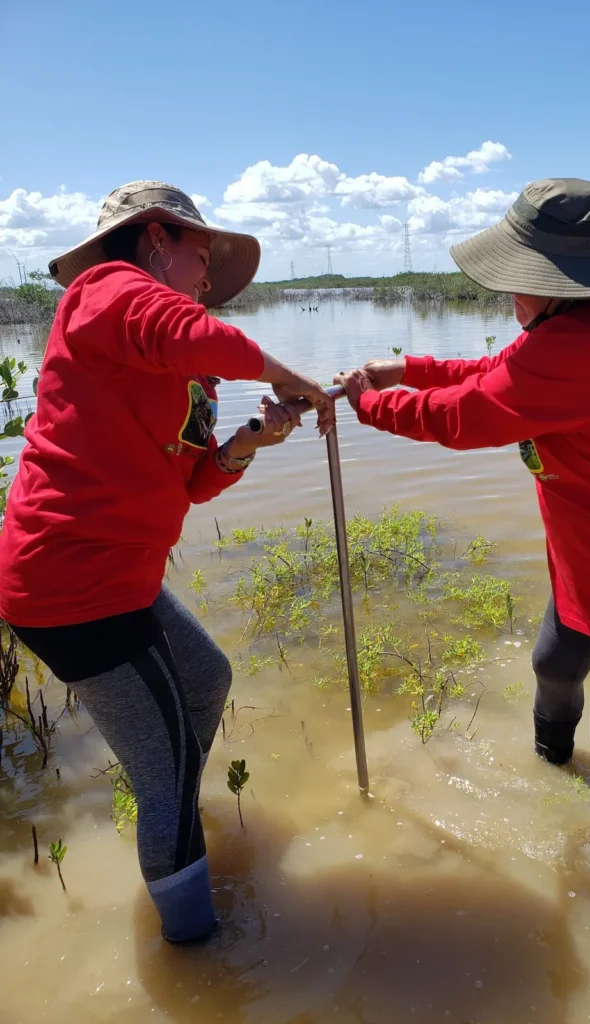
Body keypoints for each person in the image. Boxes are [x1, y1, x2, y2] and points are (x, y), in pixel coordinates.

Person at [335, 178, 590, 854]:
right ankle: (552, 775)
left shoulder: (580, 349)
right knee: (552, 665)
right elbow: (494, 370)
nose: (509, 291)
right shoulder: (589, 326)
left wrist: (369, 404)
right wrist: (408, 368)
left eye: (518, 278)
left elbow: (465, 416)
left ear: (561, 284)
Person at [0, 181, 334, 942]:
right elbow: (183, 324)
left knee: (208, 679)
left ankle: (168, 799)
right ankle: (197, 955)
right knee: (170, 769)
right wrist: (285, 373)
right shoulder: (104, 292)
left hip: (121, 578)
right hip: (71, 584)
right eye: (201, 254)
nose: (208, 277)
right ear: (156, 239)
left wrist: (247, 441)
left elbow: (189, 484)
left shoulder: (182, 372)